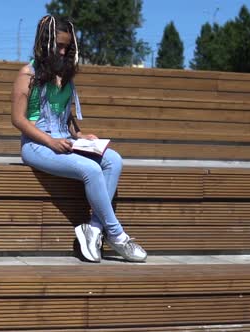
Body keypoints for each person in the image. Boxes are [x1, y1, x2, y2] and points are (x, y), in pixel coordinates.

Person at [10, 15, 147, 263]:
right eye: (58, 46)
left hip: (65, 139)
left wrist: (80, 135)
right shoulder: (27, 74)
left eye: (67, 47)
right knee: (91, 169)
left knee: (114, 160)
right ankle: (116, 235)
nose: (62, 52)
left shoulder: (65, 74)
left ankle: (93, 228)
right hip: (36, 144)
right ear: (45, 43)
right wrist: (50, 142)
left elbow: (66, 116)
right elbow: (18, 119)